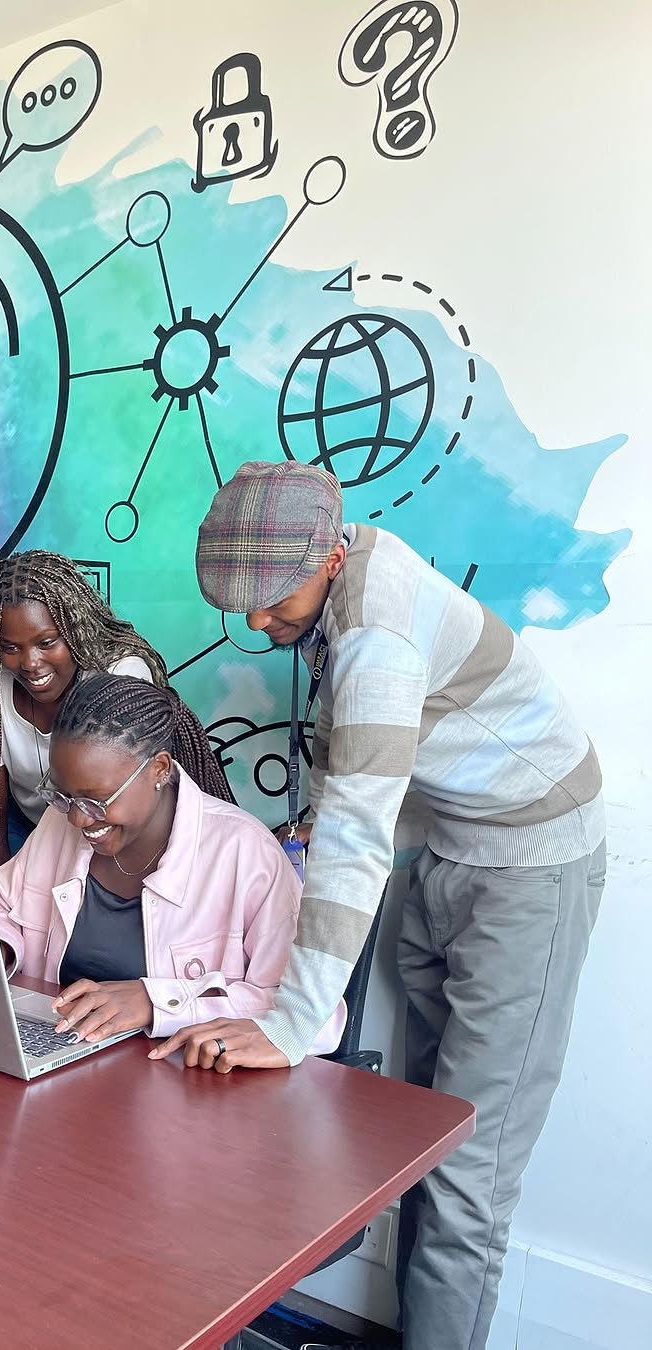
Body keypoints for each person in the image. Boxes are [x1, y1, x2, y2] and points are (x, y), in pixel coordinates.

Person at [154, 460, 606, 1350]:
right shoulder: (342, 584)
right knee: (424, 1147)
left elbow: (360, 839)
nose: (253, 621)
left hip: (528, 868)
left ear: (327, 558)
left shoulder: (377, 639)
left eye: (272, 599)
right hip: (442, 845)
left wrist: (288, 1025)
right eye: (238, 601)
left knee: (464, 1178)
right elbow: (358, 792)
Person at [0, 672, 346, 1050]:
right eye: (64, 796)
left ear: (159, 770)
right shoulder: (63, 822)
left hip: (189, 1083)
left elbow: (315, 1016)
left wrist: (155, 1002)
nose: (78, 819)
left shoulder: (244, 853)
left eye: (96, 800)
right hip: (66, 1059)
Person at [0, 550, 167, 888]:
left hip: (110, 829)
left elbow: (131, 806)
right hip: (26, 826)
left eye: (47, 642)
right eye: (9, 647)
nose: (30, 663)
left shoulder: (119, 674)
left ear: (75, 629)